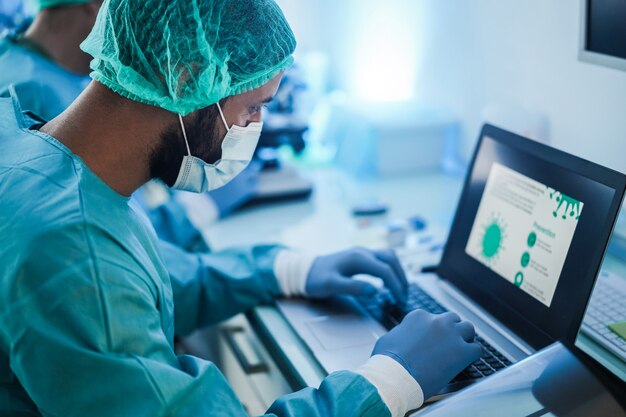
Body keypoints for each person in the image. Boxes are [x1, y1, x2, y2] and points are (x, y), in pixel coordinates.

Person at [0, 1, 482, 416]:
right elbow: (101, 291)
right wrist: (392, 381)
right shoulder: (70, 250)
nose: (255, 126)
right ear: (186, 75)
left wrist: (287, 270)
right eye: (253, 108)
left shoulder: (46, 154)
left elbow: (141, 288)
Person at [0, 0, 261, 227]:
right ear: (95, 6)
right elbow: (98, 228)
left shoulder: (40, 67)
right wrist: (193, 213)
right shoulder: (35, 92)